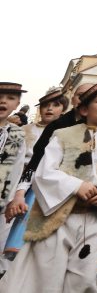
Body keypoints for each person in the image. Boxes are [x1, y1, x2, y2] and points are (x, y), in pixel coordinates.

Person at [0, 80, 97, 293]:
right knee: (48, 274)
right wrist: (76, 185)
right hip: (59, 218)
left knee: (83, 278)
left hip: (95, 219)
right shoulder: (64, 136)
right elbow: (44, 172)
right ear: (84, 109)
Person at [4, 86, 68, 262]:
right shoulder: (25, 130)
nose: (49, 109)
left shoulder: (64, 133)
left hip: (42, 187)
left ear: (63, 109)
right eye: (46, 105)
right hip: (17, 182)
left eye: (55, 105)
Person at [0, 83, 29, 274]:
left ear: (17, 104)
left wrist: (13, 198)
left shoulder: (16, 134)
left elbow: (17, 169)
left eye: (10, 98)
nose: (3, 101)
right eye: (0, 97)